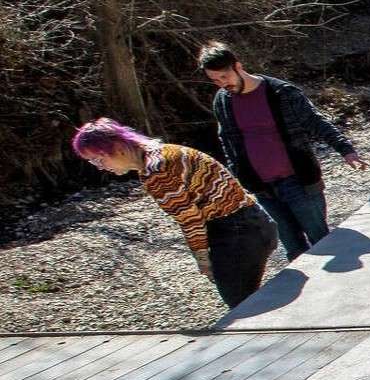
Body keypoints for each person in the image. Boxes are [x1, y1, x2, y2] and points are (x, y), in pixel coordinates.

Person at [71, 118, 278, 308]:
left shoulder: (156, 171)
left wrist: (202, 259)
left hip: (238, 233)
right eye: (93, 163)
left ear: (117, 147)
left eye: (99, 159)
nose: (100, 167)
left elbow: (191, 220)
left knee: (243, 308)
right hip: (255, 220)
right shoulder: (162, 152)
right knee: (251, 301)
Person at [197, 41, 367, 261]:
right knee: (294, 251)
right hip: (261, 188)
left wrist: (346, 150)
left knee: (322, 242)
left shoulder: (281, 92)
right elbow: (227, 140)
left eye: (224, 76)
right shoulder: (222, 101)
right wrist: (236, 173)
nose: (222, 84)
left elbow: (315, 121)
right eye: (215, 80)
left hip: (299, 181)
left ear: (238, 66)